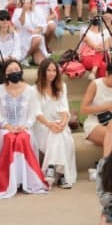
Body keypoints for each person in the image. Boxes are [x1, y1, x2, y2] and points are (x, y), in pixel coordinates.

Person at [0, 60, 48, 198]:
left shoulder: (30, 90)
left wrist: (24, 126)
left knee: (22, 138)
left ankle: (26, 181)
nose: (14, 72)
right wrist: (8, 126)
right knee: (9, 138)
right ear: (5, 74)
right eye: (11, 71)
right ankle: (7, 181)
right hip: (4, 128)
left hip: (23, 127)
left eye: (17, 69)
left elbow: (33, 113)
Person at [33, 58, 76, 188]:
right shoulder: (34, 89)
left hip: (58, 126)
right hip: (41, 126)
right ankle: (62, 174)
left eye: (54, 70)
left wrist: (62, 124)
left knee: (58, 135)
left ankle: (51, 168)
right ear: (42, 72)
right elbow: (37, 113)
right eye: (48, 70)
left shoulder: (62, 87)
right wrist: (50, 125)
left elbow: (65, 110)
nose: (51, 73)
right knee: (55, 134)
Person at [80, 58, 112, 165]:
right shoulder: (95, 85)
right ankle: (107, 166)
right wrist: (105, 107)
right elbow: (83, 109)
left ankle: (106, 165)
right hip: (95, 122)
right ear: (107, 74)